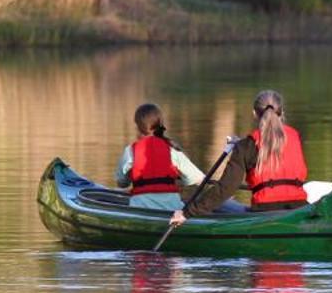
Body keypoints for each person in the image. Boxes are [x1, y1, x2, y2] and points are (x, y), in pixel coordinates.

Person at [169, 89, 310, 227]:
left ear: (254, 114)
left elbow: (224, 189)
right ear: (282, 112)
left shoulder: (245, 146)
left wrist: (186, 213)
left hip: (263, 214)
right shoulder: (296, 138)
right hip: (299, 209)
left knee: (217, 202)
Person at [117, 103, 205, 211]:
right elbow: (198, 179)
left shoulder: (130, 151)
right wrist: (179, 180)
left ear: (137, 127)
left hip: (140, 209)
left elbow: (121, 183)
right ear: (160, 124)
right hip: (171, 210)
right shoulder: (172, 149)